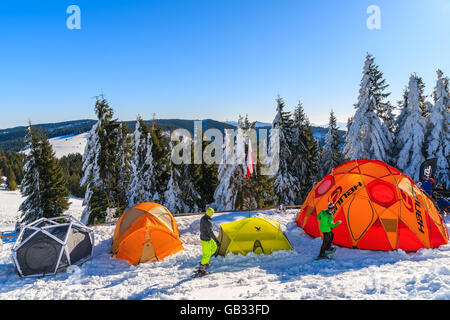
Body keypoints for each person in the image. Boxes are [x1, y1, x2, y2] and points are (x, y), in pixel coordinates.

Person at [198, 207, 220, 275]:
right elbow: (211, 233)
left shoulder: (203, 218)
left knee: (214, 248)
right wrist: (217, 240)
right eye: (212, 214)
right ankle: (201, 269)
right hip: (205, 240)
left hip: (208, 238)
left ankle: (205, 262)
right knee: (206, 255)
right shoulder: (208, 222)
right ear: (210, 214)